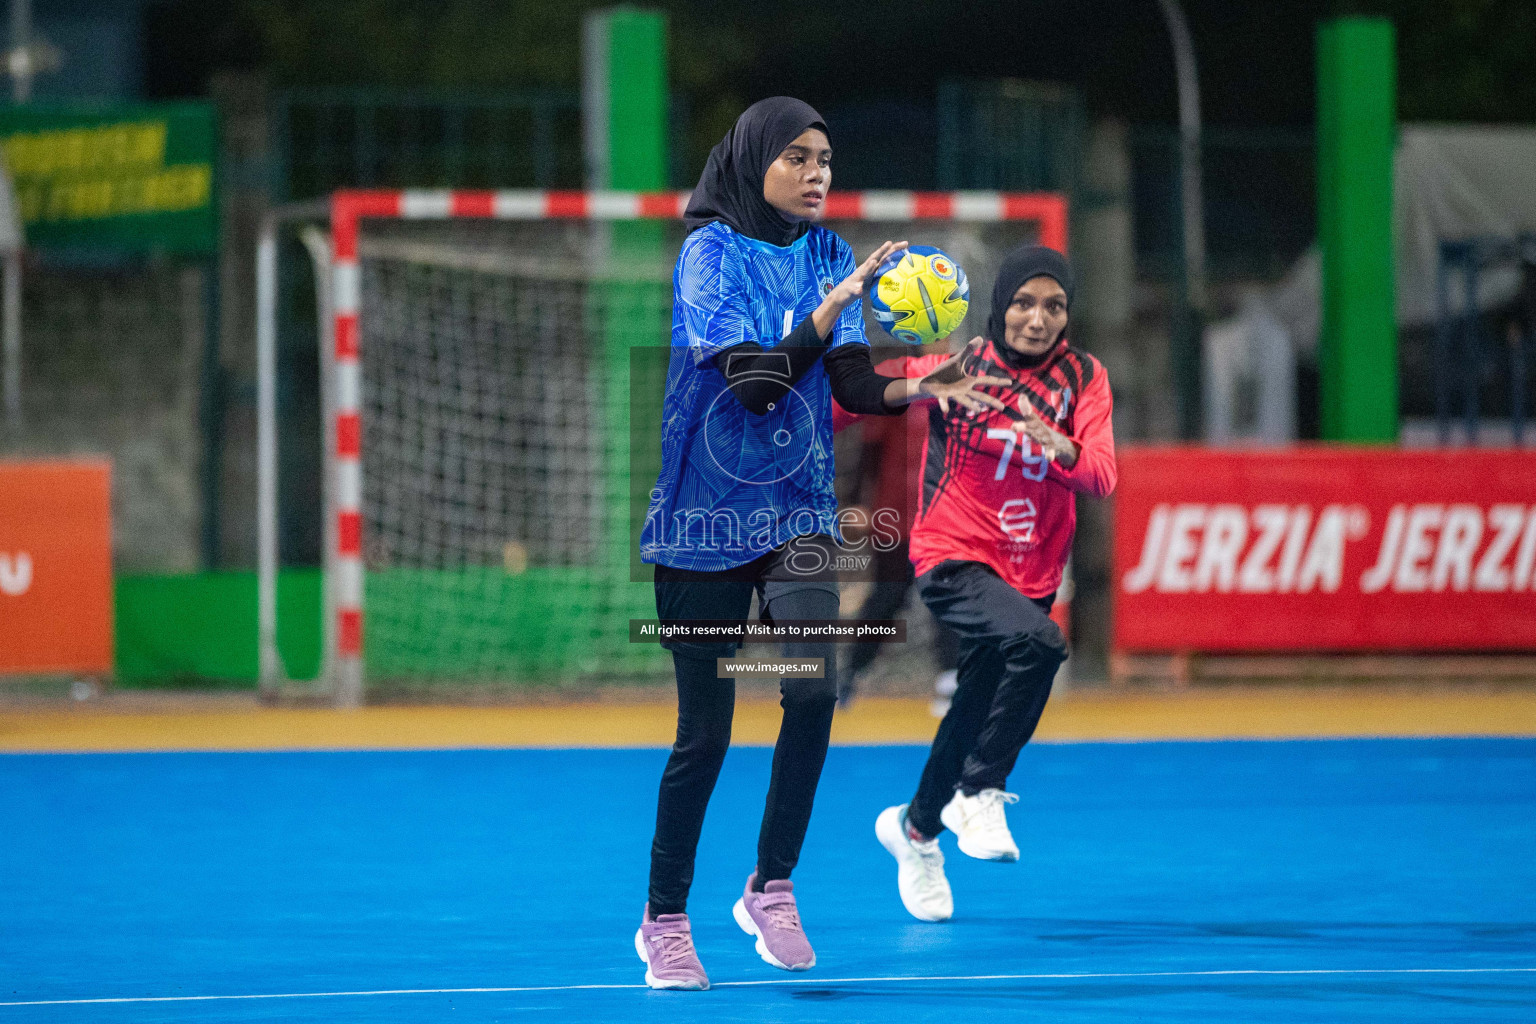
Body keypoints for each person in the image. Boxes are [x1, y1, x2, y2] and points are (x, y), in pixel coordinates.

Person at [635, 97, 1008, 989]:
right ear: (755, 161)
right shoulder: (708, 257)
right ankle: (664, 919)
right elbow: (760, 385)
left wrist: (925, 384)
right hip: (704, 521)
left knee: (815, 689)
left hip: (797, 515)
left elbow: (846, 384)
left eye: (826, 161)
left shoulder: (831, 256)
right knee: (706, 735)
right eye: (798, 157)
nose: (816, 174)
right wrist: (832, 303)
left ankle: (771, 885)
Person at [871, 245, 1117, 923]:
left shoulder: (1084, 378)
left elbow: (1101, 475)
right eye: (1023, 302)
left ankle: (916, 831)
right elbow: (854, 395)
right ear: (1000, 306)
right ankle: (979, 791)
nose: (1037, 318)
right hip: (951, 554)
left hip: (1031, 567)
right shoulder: (961, 366)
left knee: (972, 707)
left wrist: (1061, 446)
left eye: (1054, 305)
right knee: (1040, 646)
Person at [831, 356, 961, 709]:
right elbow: (870, 451)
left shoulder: (968, 384)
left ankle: (951, 679)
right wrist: (859, 501)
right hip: (897, 517)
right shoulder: (901, 385)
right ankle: (851, 673)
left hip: (945, 522)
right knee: (886, 597)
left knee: (946, 598)